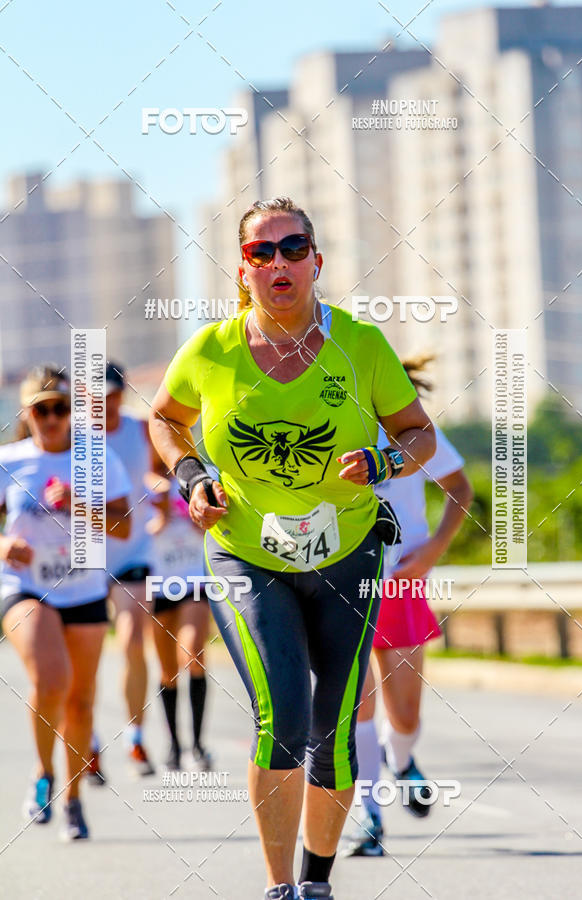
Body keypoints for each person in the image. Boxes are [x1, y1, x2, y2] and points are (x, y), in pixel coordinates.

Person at [148, 197, 436, 900]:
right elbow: (164, 419)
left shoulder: (361, 345)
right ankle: (279, 888)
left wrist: (384, 462)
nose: (278, 262)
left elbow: (419, 434)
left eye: (292, 247)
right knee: (282, 716)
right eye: (261, 251)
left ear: (317, 260)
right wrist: (191, 478)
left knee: (333, 723)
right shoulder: (211, 350)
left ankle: (317, 883)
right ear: (242, 269)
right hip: (246, 553)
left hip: (349, 554)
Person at [344, 355, 474, 857]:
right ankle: (368, 817)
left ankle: (401, 760)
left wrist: (433, 550)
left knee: (404, 714)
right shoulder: (327, 424)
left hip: (400, 583)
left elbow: (459, 490)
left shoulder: (412, 432)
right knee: (355, 702)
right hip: (342, 581)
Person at [0, 365, 131, 840]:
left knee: (80, 702)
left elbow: (124, 526)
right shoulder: (9, 461)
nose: (52, 419)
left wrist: (79, 503)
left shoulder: (98, 459)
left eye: (61, 408)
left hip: (84, 588)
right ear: (27, 413)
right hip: (26, 586)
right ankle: (43, 774)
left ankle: (73, 801)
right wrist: (3, 547)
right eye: (42, 410)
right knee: (52, 679)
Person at [90, 361, 162, 780]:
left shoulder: (141, 428)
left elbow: (161, 469)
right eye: (100, 399)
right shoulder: (76, 440)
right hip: (84, 558)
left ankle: (135, 736)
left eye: (114, 396)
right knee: (89, 650)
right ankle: (89, 740)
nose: (108, 405)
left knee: (134, 639)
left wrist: (164, 487)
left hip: (135, 550)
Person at [146, 470, 214, 772]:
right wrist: (159, 519)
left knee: (193, 654)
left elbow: (216, 528)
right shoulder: (141, 481)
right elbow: (128, 535)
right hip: (157, 583)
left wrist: (196, 518)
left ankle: (198, 745)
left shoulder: (199, 477)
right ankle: (174, 745)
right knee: (167, 671)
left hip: (194, 580)